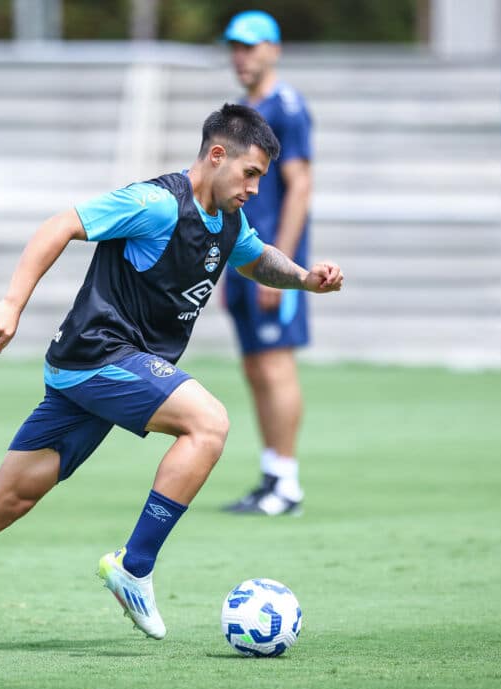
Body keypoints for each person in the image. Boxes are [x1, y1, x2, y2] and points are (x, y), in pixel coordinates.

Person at [0, 103, 343, 650]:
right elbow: (61, 225)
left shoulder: (229, 221)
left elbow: (253, 258)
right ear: (217, 154)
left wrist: (303, 278)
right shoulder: (156, 203)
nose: (254, 188)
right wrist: (12, 303)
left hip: (96, 371)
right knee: (208, 423)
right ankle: (134, 566)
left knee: (8, 498)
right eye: (250, 174)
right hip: (99, 355)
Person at [220, 11, 316, 516]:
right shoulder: (246, 113)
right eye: (236, 47)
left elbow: (300, 184)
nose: (242, 56)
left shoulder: (288, 108)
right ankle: (271, 476)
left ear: (274, 50)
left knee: (276, 366)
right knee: (256, 366)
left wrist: (283, 265)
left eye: (251, 47)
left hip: (271, 260)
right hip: (243, 259)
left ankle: (289, 483)